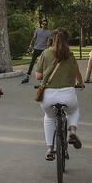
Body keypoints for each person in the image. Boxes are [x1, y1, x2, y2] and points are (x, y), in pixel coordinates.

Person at [35, 30, 84, 162]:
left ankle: (50, 149)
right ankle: (72, 132)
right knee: (73, 111)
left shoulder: (45, 53)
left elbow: (38, 76)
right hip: (68, 94)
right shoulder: (70, 54)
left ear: (52, 39)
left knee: (49, 118)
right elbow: (77, 73)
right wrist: (81, 83)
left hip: (48, 96)